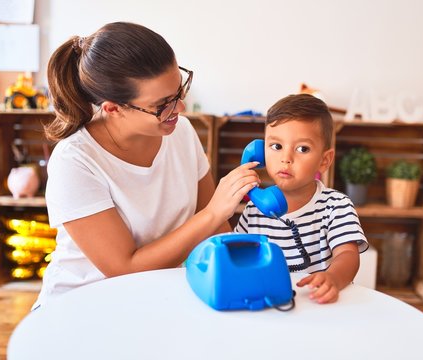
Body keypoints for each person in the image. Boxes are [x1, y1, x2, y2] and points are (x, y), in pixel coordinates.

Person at [33, 22, 259, 309]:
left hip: (158, 297)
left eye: (180, 89)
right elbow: (125, 268)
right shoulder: (75, 162)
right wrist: (215, 212)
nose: (180, 108)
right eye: (163, 103)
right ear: (113, 108)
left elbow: (215, 234)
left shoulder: (182, 132)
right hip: (85, 305)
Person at [234, 94, 369, 304]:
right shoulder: (254, 209)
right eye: (276, 146)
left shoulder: (336, 206)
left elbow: (348, 255)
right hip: (271, 304)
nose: (286, 158)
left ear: (324, 161)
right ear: (260, 152)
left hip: (318, 304)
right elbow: (241, 256)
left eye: (302, 149)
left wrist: (333, 277)